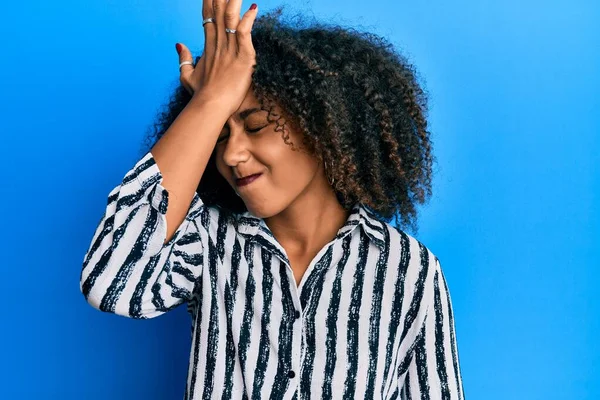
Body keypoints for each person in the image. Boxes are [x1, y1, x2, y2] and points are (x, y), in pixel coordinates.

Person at [80, 1, 465, 399]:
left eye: (256, 125)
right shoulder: (207, 240)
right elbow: (111, 283)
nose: (231, 155)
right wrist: (208, 103)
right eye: (219, 136)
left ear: (322, 124)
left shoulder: (408, 269)